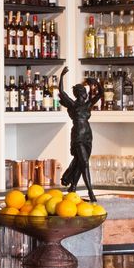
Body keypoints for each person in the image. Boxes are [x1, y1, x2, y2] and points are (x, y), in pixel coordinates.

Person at [56, 67, 96, 201]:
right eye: (84, 91)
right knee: (84, 162)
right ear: (80, 93)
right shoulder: (72, 105)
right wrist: (61, 76)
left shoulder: (88, 104)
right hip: (78, 136)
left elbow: (100, 93)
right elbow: (61, 92)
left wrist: (94, 82)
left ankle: (72, 186)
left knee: (80, 162)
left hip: (88, 136)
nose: (85, 94)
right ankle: (91, 193)